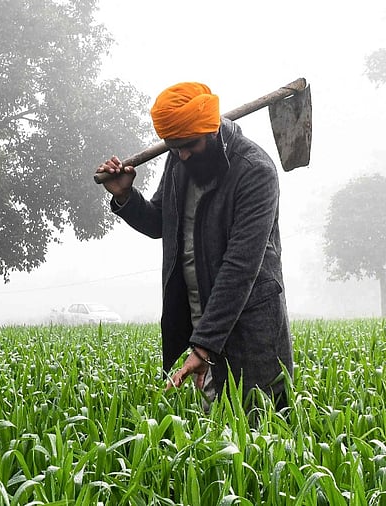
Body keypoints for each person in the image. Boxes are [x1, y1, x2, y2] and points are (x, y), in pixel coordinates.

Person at [96, 82, 293, 411]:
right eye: (174, 147)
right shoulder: (180, 160)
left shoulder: (255, 172)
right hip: (199, 318)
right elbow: (160, 222)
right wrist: (124, 196)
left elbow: (240, 266)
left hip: (249, 325)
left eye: (189, 145)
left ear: (212, 131)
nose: (182, 154)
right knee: (213, 433)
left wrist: (204, 347)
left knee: (260, 426)